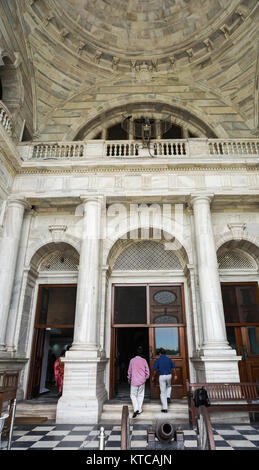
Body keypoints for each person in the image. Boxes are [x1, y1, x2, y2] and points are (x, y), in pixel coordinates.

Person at [152, 348, 177, 413]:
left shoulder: (158, 360)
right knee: (169, 386)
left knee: (163, 392)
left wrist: (153, 376)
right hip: (169, 375)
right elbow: (173, 368)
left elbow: (155, 370)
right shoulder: (169, 359)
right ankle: (168, 396)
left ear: (160, 353)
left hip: (162, 376)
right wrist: (175, 375)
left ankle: (165, 408)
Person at [127, 346, 150, 419]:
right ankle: (139, 410)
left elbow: (129, 371)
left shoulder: (132, 360)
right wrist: (145, 378)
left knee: (133, 395)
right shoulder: (144, 360)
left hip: (134, 381)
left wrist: (129, 378)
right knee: (140, 395)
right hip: (142, 381)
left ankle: (136, 409)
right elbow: (147, 371)